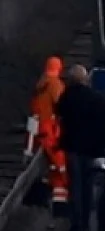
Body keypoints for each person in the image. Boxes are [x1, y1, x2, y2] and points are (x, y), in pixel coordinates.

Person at [55, 65, 105, 231]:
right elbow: (104, 125)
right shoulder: (96, 99)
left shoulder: (67, 97)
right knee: (88, 185)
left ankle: (76, 222)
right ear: (86, 79)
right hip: (91, 149)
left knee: (75, 185)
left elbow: (59, 113)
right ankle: (87, 222)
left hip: (72, 147)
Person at [27, 56, 69, 214]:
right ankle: (61, 204)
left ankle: (40, 197)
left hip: (37, 130)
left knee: (46, 167)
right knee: (60, 166)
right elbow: (61, 105)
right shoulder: (55, 84)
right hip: (50, 130)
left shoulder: (40, 84)